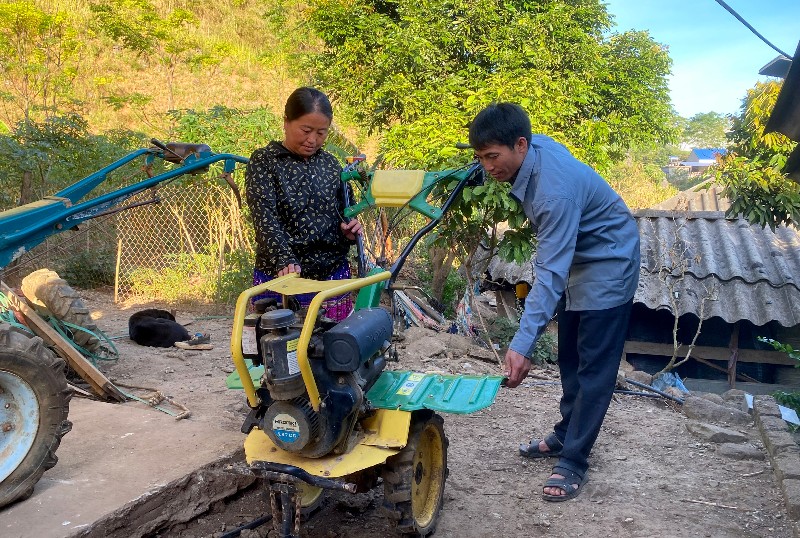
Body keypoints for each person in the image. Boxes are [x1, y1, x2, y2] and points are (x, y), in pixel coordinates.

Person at [468, 103, 640, 502]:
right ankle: (566, 435)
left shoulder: (553, 193)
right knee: (569, 357)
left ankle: (575, 460)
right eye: (480, 158)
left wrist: (522, 344)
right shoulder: (535, 151)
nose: (487, 168)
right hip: (580, 259)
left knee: (594, 367)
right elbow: (557, 266)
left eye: (493, 157)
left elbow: (549, 272)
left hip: (609, 262)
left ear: (521, 145)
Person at [245, 87, 362, 321]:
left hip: (331, 277)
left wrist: (349, 230)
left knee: (334, 349)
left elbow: (346, 211)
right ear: (286, 122)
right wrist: (284, 260)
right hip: (284, 279)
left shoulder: (331, 164)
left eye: (321, 133)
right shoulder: (265, 162)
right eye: (306, 130)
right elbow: (265, 218)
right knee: (281, 349)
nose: (312, 140)